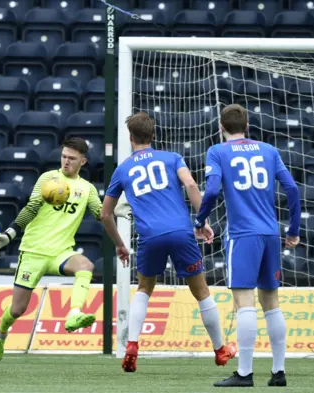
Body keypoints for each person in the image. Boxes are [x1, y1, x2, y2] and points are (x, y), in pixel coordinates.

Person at [100, 112, 236, 373]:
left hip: (149, 236)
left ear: (130, 138)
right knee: (201, 291)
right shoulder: (172, 158)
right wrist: (202, 221)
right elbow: (191, 185)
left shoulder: (123, 168)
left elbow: (106, 214)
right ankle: (220, 350)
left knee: (144, 289)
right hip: (180, 232)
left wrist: (119, 244)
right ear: (153, 135)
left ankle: (131, 346)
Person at [194, 104, 301, 388]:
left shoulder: (217, 151)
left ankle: (244, 374)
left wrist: (199, 220)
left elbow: (213, 189)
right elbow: (292, 189)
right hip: (270, 234)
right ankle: (279, 372)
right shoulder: (268, 150)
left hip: (242, 235)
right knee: (272, 303)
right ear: (247, 126)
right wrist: (293, 230)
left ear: (221, 127)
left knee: (244, 303)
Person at [0, 137, 104, 362]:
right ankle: (1, 334)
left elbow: (100, 213)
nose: (66, 162)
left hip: (62, 252)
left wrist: (118, 209)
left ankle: (74, 313)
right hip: (33, 251)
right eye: (64, 156)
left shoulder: (86, 189)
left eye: (72, 158)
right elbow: (30, 209)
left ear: (83, 161)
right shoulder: (48, 178)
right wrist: (9, 234)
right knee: (18, 309)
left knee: (86, 265)